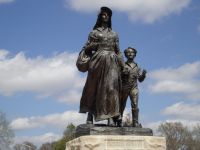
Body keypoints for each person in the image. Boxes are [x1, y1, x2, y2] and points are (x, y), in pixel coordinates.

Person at [76, 7, 124, 126]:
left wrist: (123, 66)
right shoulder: (94, 32)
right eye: (103, 15)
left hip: (112, 61)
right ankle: (90, 115)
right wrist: (92, 46)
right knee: (94, 88)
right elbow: (86, 48)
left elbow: (118, 51)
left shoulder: (114, 34)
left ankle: (111, 116)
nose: (106, 16)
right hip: (98, 60)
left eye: (108, 15)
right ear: (100, 17)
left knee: (112, 89)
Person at [120, 47, 146, 127]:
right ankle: (119, 120)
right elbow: (117, 77)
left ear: (135, 55)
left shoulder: (137, 67)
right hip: (124, 87)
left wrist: (143, 75)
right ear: (125, 55)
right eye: (128, 52)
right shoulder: (122, 65)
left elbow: (140, 80)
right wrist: (123, 73)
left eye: (132, 52)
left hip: (134, 87)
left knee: (135, 104)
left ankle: (135, 122)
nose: (130, 54)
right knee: (122, 104)